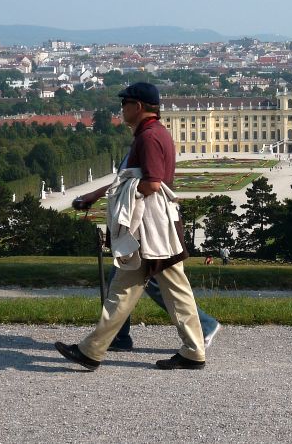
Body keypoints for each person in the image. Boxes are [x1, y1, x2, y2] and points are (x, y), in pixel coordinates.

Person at [55, 82, 208, 371]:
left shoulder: (148, 137)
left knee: (153, 292)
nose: (122, 110)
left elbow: (152, 182)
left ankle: (94, 350)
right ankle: (94, 350)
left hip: (150, 228)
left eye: (125, 104)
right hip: (154, 228)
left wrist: (122, 191)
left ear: (138, 106)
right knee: (136, 292)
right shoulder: (154, 133)